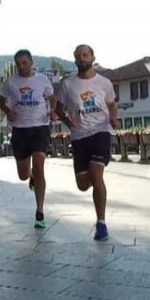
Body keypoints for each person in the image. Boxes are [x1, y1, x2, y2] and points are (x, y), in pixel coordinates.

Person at [54, 44, 118, 241]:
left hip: (100, 132)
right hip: (79, 136)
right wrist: (67, 121)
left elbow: (112, 104)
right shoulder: (67, 84)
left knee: (96, 174)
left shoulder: (104, 82)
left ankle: (101, 224)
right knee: (83, 184)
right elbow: (58, 109)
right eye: (78, 56)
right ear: (75, 59)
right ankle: (95, 184)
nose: (82, 58)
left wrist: (113, 118)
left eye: (85, 55)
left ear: (92, 57)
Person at [0, 49, 57, 229]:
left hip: (40, 126)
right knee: (23, 174)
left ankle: (40, 211)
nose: (21, 66)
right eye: (18, 64)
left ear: (31, 62)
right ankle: (31, 176)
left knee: (39, 164)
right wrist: (8, 111)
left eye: (24, 63)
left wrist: (52, 111)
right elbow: (1, 102)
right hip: (20, 129)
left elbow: (52, 98)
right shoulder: (11, 82)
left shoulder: (42, 80)